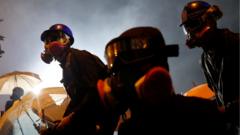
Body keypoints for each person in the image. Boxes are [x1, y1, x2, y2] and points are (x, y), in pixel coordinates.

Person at [100, 26, 225, 135]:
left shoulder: (200, 114)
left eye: (129, 70)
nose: (119, 80)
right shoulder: (202, 110)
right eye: (117, 72)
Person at [40, 24, 113, 135]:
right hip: (89, 116)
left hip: (99, 118)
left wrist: (71, 118)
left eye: (55, 38)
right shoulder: (66, 64)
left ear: (67, 40)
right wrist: (62, 121)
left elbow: (95, 91)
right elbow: (77, 99)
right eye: (47, 41)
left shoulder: (79, 57)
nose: (50, 44)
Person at [180, 1, 239, 134]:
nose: (190, 33)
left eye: (192, 25)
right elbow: (221, 98)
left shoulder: (236, 44)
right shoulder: (204, 60)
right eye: (186, 29)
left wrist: (223, 112)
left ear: (209, 21)